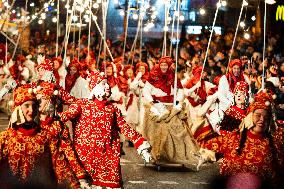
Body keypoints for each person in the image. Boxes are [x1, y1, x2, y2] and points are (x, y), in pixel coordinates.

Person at [59, 71, 151, 189]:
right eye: (103, 84)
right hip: (85, 161)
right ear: (94, 87)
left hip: (107, 161)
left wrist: (141, 145)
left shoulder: (112, 109)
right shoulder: (81, 105)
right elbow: (62, 117)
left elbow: (126, 128)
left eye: (107, 84)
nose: (107, 86)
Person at [0, 84, 81, 189]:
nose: (32, 111)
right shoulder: (5, 138)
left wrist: (75, 186)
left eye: (34, 106)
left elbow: (60, 166)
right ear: (18, 108)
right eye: (27, 106)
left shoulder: (47, 137)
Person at [198, 90, 284, 188]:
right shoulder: (234, 138)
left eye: (266, 117)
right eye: (258, 115)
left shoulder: (276, 140)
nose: (262, 120)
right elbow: (208, 142)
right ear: (250, 117)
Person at [36, 81, 91, 189]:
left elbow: (69, 151)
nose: (38, 102)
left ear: (50, 102)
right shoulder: (31, 124)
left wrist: (81, 177)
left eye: (42, 99)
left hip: (58, 168)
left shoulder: (58, 125)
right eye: (36, 99)